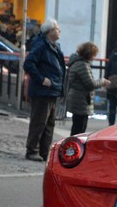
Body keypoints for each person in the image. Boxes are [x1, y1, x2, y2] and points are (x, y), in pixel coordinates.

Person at [23, 18, 66, 161]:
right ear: (50, 31)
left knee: (49, 124)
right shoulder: (41, 45)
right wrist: (42, 79)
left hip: (52, 90)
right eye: (57, 28)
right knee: (39, 122)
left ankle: (43, 152)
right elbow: (29, 64)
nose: (59, 31)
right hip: (42, 91)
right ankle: (32, 150)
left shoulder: (54, 46)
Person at [66, 42, 110, 135]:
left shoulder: (77, 63)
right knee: (79, 128)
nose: (94, 57)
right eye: (94, 55)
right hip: (81, 99)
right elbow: (90, 84)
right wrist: (103, 81)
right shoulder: (82, 65)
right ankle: (74, 147)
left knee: (78, 125)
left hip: (78, 98)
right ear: (89, 54)